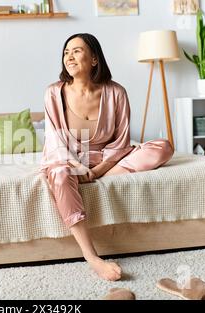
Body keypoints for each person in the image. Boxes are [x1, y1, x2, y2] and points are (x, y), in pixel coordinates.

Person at [40, 33, 174, 281]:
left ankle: (94, 177)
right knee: (59, 175)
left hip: (107, 160)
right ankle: (92, 256)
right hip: (68, 160)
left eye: (77, 51)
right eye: (66, 52)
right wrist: (77, 168)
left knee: (163, 146)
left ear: (94, 59)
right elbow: (55, 141)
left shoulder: (116, 92)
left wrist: (97, 171)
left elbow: (121, 142)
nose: (69, 56)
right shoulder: (52, 93)